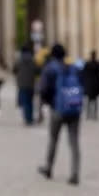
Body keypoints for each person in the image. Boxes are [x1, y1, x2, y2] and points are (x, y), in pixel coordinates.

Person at [37, 44, 82, 185]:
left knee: (53, 140)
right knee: (74, 142)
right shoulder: (73, 68)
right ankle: (75, 173)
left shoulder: (50, 68)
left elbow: (43, 89)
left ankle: (49, 168)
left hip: (58, 108)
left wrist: (47, 103)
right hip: (74, 108)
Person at [14, 43, 37, 126]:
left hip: (21, 83)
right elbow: (37, 70)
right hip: (31, 83)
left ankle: (27, 118)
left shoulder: (19, 60)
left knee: (25, 101)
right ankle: (30, 117)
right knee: (30, 101)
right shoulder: (32, 59)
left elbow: (14, 70)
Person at [82, 51, 99, 121]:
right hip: (95, 84)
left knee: (89, 100)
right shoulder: (97, 64)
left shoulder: (88, 63)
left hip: (90, 84)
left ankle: (89, 114)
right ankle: (94, 114)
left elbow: (84, 74)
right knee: (95, 100)